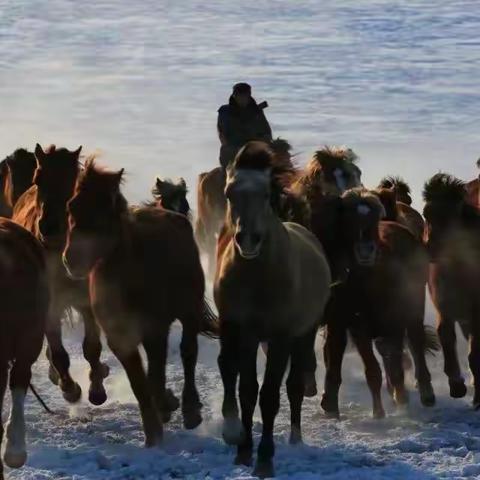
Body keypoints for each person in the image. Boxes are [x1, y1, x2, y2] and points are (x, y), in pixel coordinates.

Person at [217, 83, 273, 168]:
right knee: (227, 156)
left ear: (249, 96)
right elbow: (221, 133)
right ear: (234, 96)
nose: (242, 99)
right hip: (233, 148)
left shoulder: (257, 111)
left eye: (245, 96)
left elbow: (266, 130)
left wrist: (264, 142)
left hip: (254, 147)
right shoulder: (225, 112)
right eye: (239, 96)